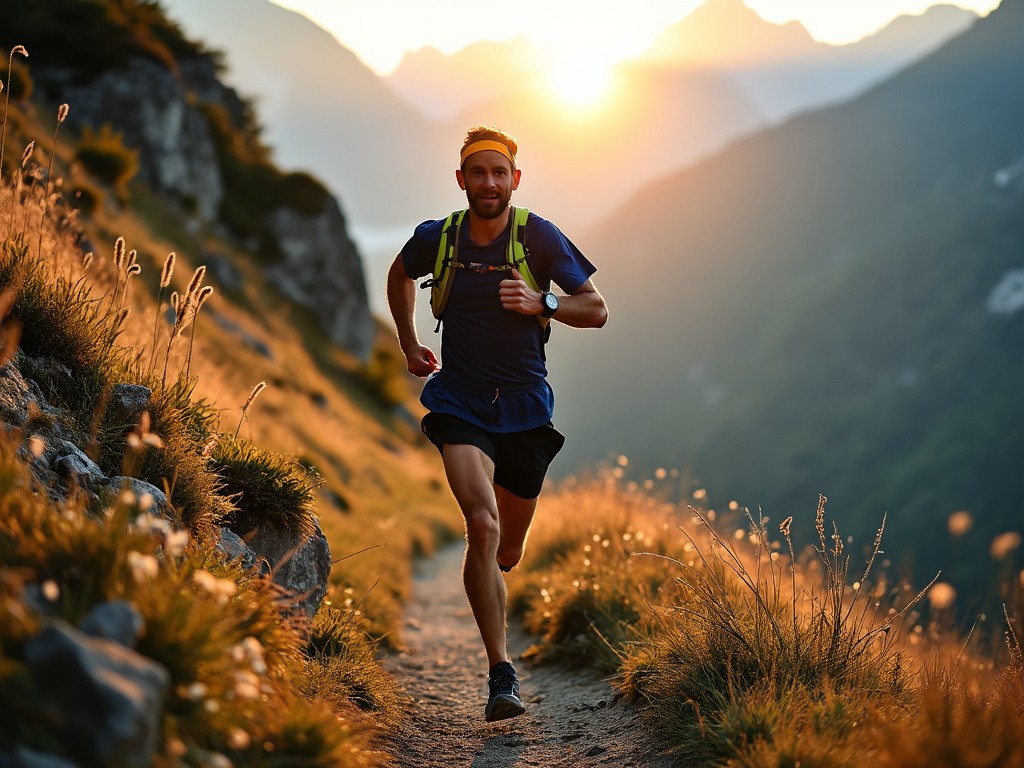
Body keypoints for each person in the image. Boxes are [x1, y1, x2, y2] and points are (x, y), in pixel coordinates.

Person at [386, 125, 608, 722]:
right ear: (461, 181)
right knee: (481, 526)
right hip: (459, 403)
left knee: (507, 548)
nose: (488, 183)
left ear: (515, 179)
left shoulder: (537, 237)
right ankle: (500, 674)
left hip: (528, 411)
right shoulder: (440, 238)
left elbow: (597, 308)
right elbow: (399, 274)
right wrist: (408, 343)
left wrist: (545, 303)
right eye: (477, 173)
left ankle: (506, 560)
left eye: (499, 173)